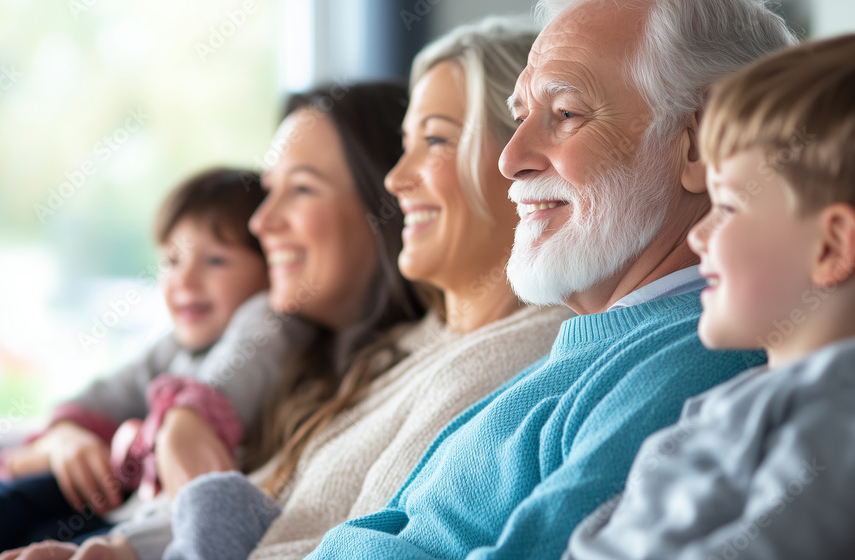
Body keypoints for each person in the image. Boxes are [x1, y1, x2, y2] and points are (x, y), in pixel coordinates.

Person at [308, 1, 795, 559]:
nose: (510, 159)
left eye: (566, 113)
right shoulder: (601, 343)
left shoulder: (700, 362)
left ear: (700, 145)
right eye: (520, 118)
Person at [160, 17, 572, 560]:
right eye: (406, 144)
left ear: (521, 160)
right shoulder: (408, 345)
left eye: (434, 140)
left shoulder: (513, 361)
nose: (396, 179)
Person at [0, 83, 429, 560]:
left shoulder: (389, 373)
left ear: (389, 206)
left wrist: (184, 424)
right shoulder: (307, 363)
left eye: (301, 189)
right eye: (268, 192)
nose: (261, 224)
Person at [0, 168, 316, 560]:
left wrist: (144, 436)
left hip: (160, 523)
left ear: (270, 267)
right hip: (130, 510)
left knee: (1, 507)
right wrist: (67, 437)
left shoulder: (267, 320)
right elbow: (98, 401)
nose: (184, 282)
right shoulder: (171, 350)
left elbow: (210, 399)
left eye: (215, 261)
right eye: (171, 261)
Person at [564, 33, 855, 560]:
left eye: (728, 207)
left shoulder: (837, 413)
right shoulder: (741, 395)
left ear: (831, 245)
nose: (700, 235)